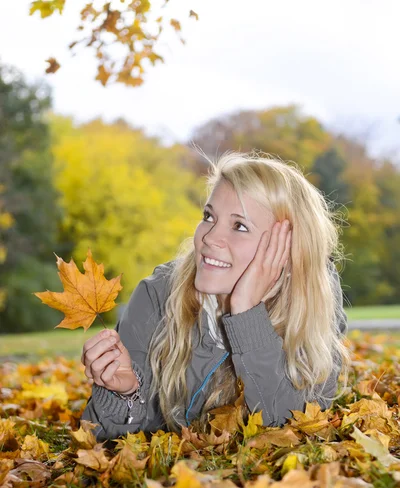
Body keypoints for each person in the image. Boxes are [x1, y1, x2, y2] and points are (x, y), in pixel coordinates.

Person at [81, 150, 351, 442]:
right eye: (209, 217)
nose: (209, 238)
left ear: (286, 249)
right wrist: (125, 392)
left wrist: (247, 311)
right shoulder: (158, 295)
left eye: (239, 226)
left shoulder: (313, 301)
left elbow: (296, 428)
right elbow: (104, 437)